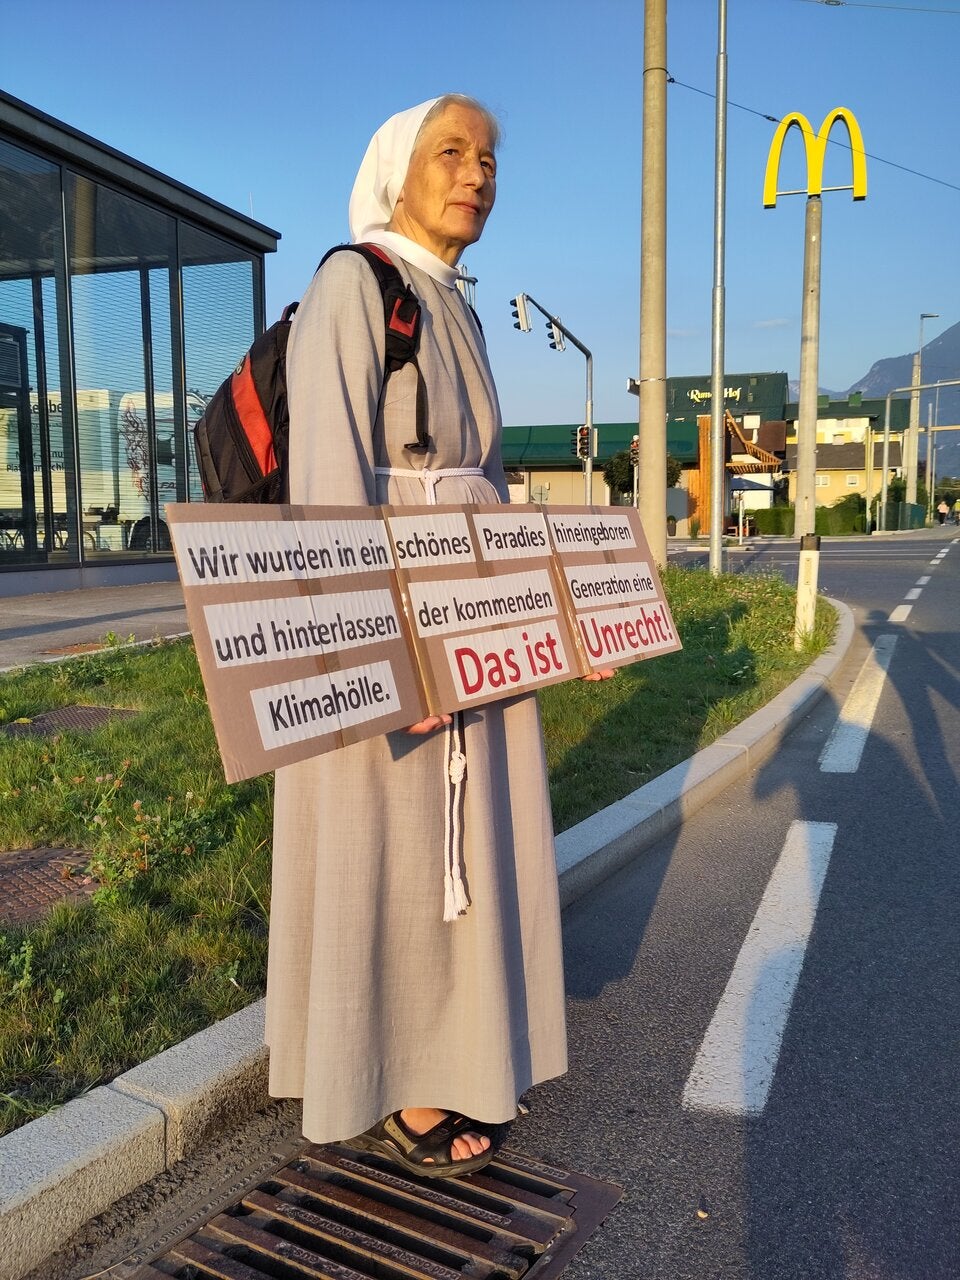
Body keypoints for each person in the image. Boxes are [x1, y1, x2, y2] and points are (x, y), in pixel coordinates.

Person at [265, 95, 608, 1179]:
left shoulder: (454, 301)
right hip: (394, 603)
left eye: (489, 158)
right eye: (452, 153)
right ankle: (394, 1073)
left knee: (463, 837)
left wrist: (552, 617)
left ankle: (459, 1047)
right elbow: (327, 480)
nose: (477, 174)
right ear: (396, 172)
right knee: (396, 837)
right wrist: (370, 657)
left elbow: (488, 484)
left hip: (470, 604)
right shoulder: (353, 283)